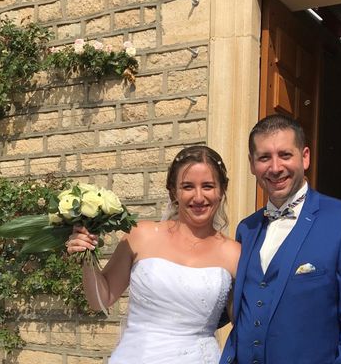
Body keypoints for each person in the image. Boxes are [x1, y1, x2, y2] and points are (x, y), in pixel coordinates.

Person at [220, 114, 341, 364]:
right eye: (264, 157)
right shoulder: (247, 229)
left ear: (305, 157)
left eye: (285, 155)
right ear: (252, 164)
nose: (275, 168)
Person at [66, 145, 241, 363]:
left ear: (221, 190)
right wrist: (87, 258)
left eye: (207, 186)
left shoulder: (234, 253)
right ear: (173, 191)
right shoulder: (141, 235)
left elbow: (245, 326)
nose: (198, 197)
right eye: (187, 186)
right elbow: (102, 299)